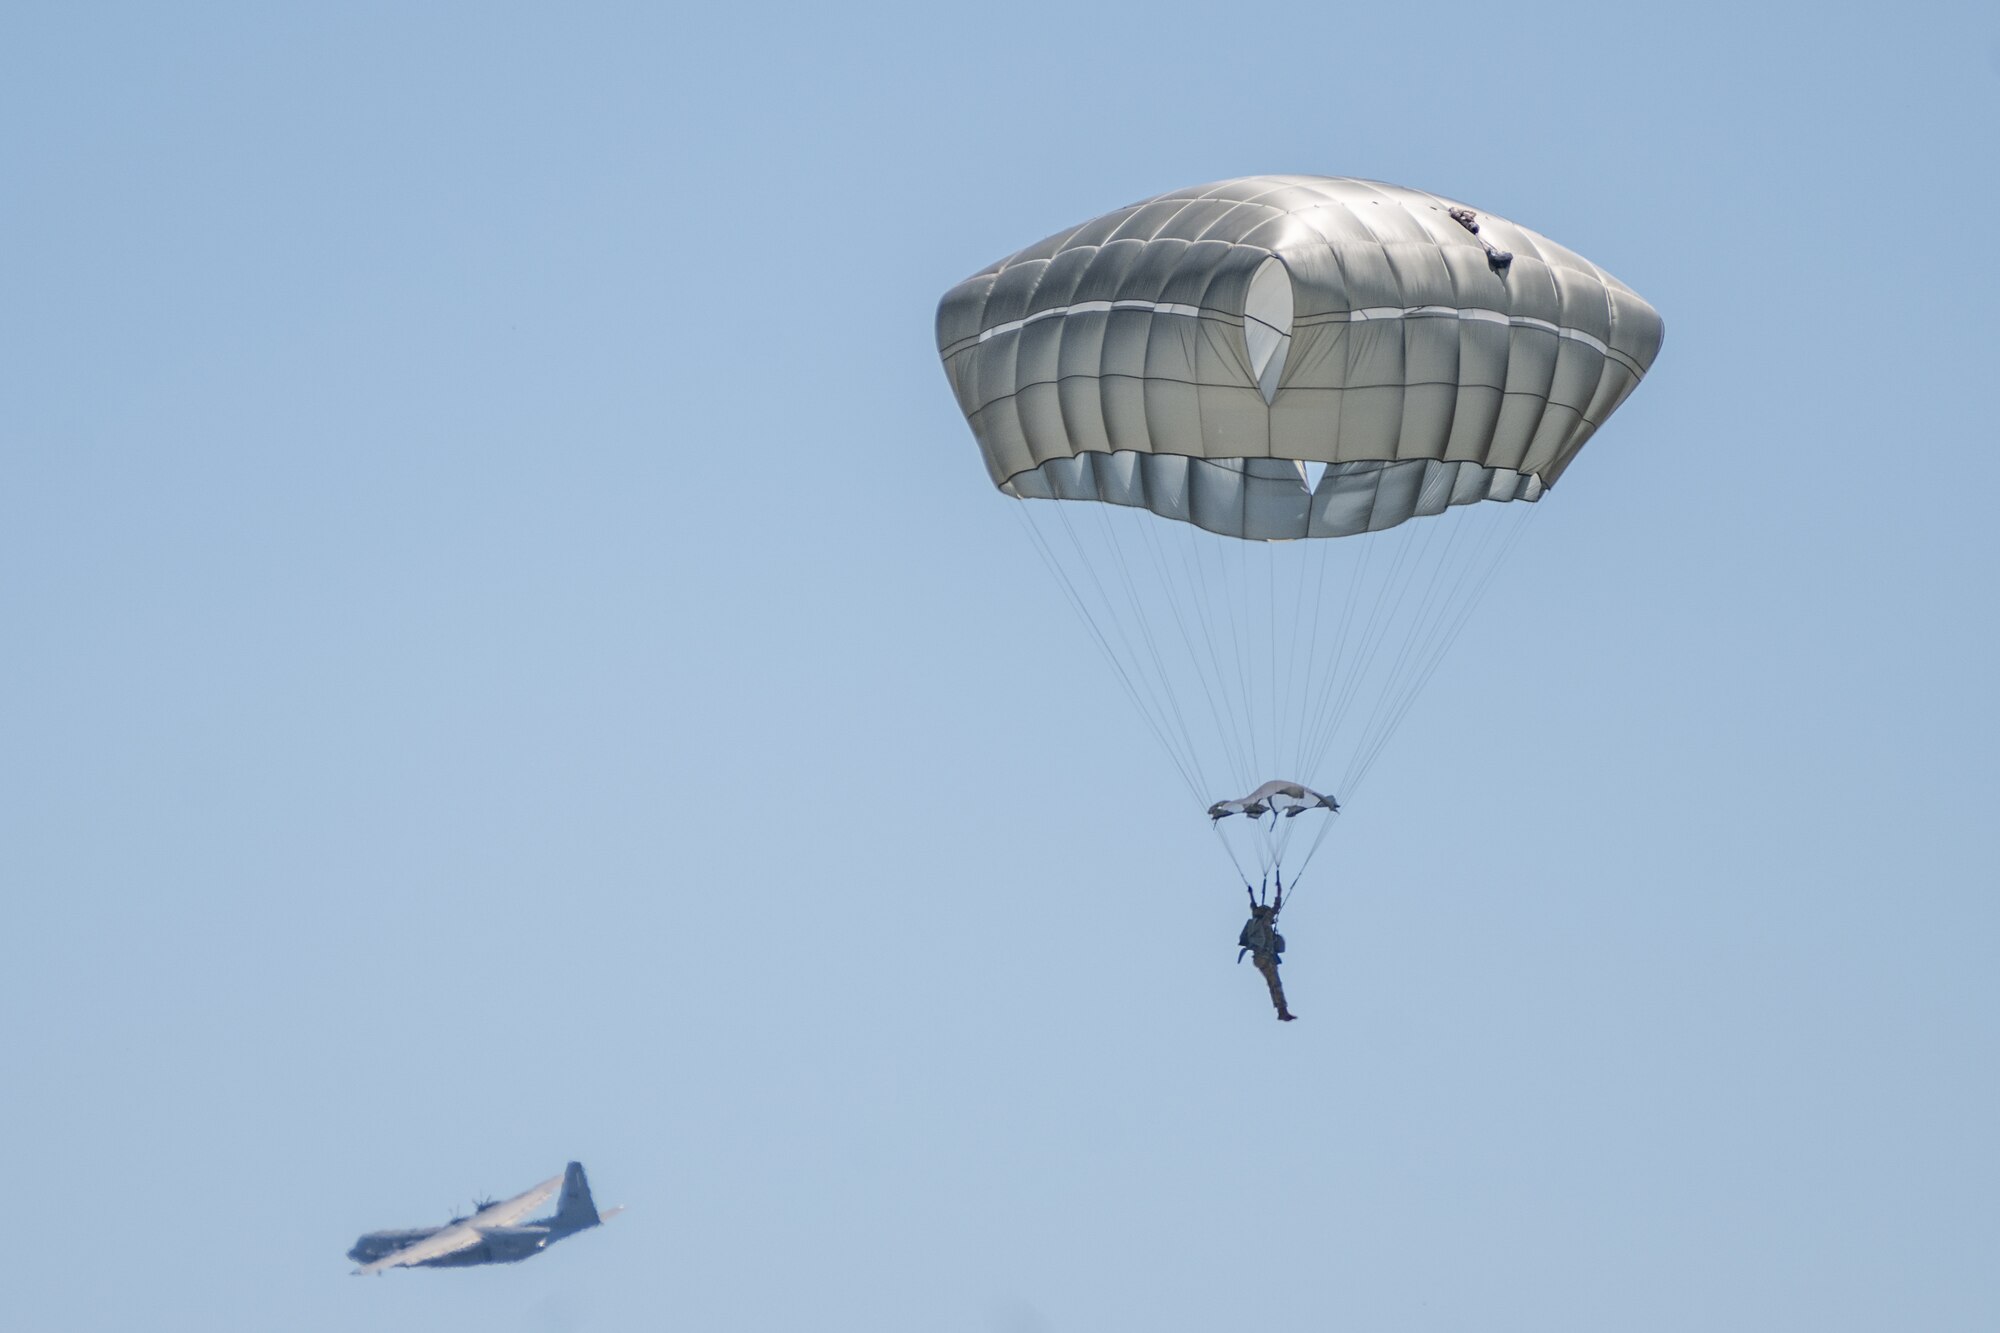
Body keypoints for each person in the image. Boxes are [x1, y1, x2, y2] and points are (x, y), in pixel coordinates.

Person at [1237, 902, 1297, 1021]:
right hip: (1266, 958)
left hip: (1258, 959)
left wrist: (1251, 895)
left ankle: (1280, 1010)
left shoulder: (1254, 923)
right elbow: (1276, 907)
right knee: (1276, 984)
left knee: (1271, 983)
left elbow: (1254, 908)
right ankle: (1282, 1011)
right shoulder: (1265, 922)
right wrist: (1278, 893)